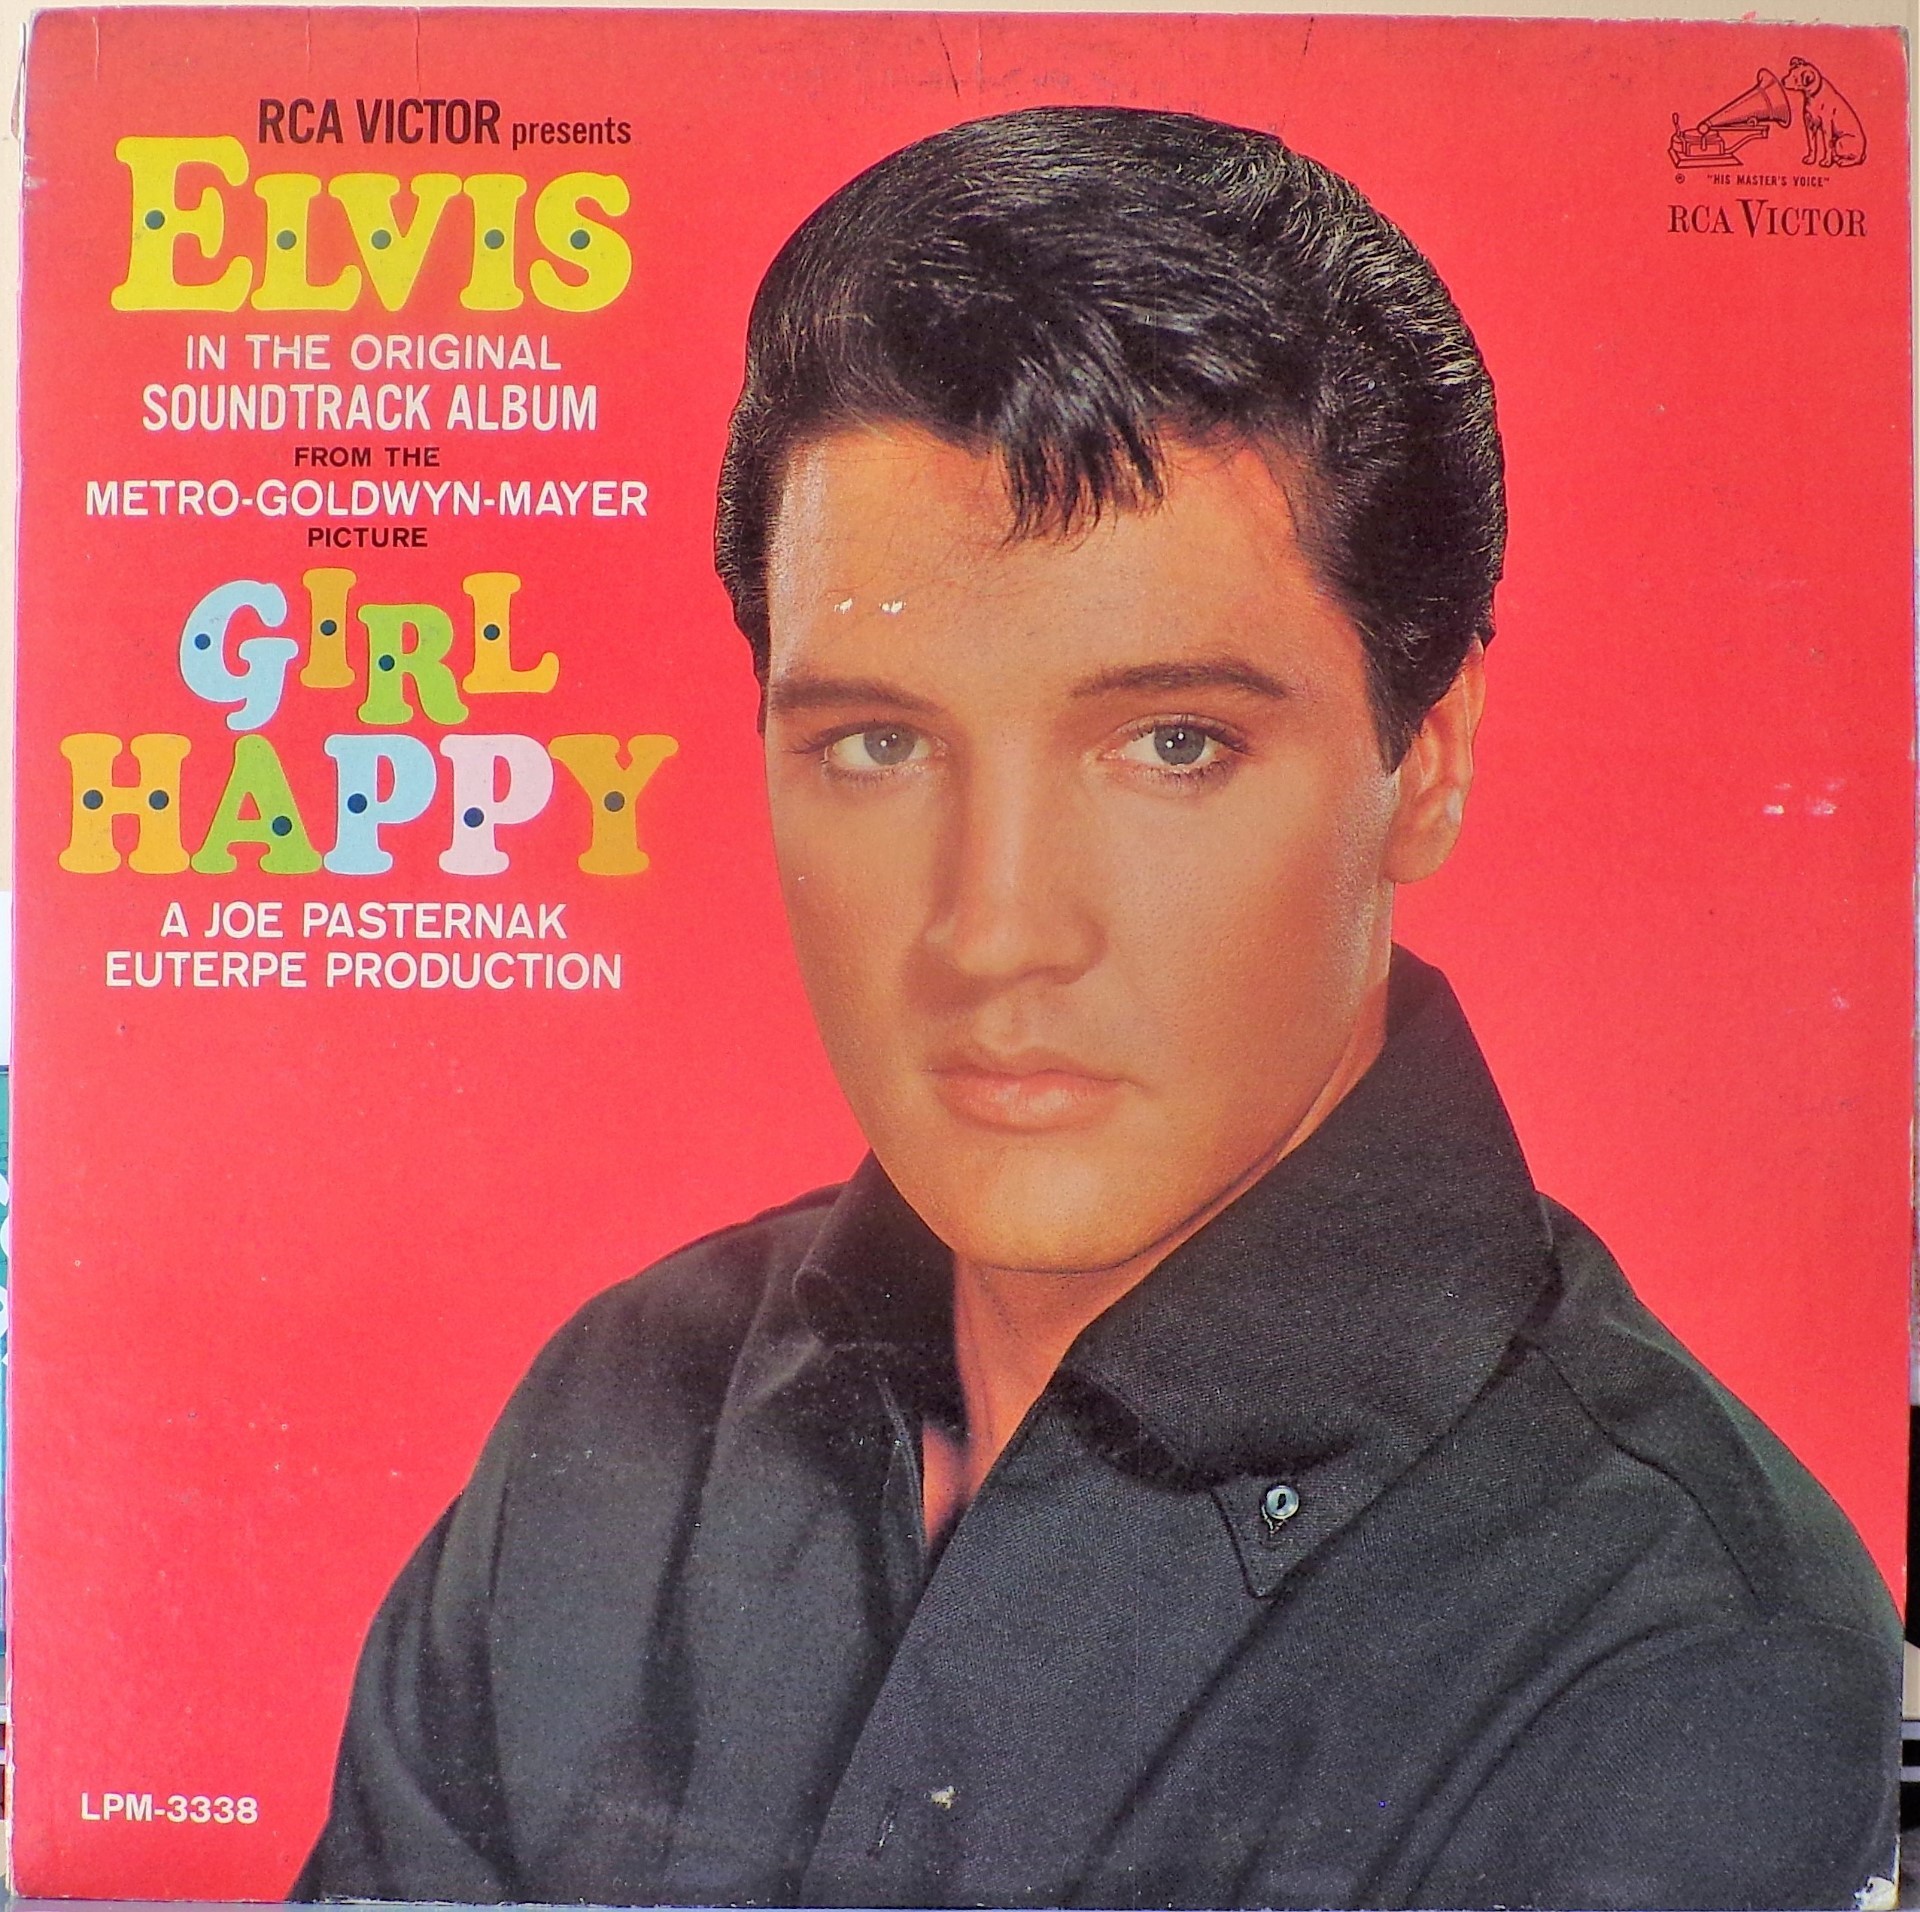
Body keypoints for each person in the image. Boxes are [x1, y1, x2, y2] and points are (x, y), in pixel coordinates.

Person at [296, 106, 1900, 1910]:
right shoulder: (619, 1413)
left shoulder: (1677, 1644)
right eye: (876, 744)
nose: (996, 934)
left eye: (1172, 744)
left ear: (1428, 761)